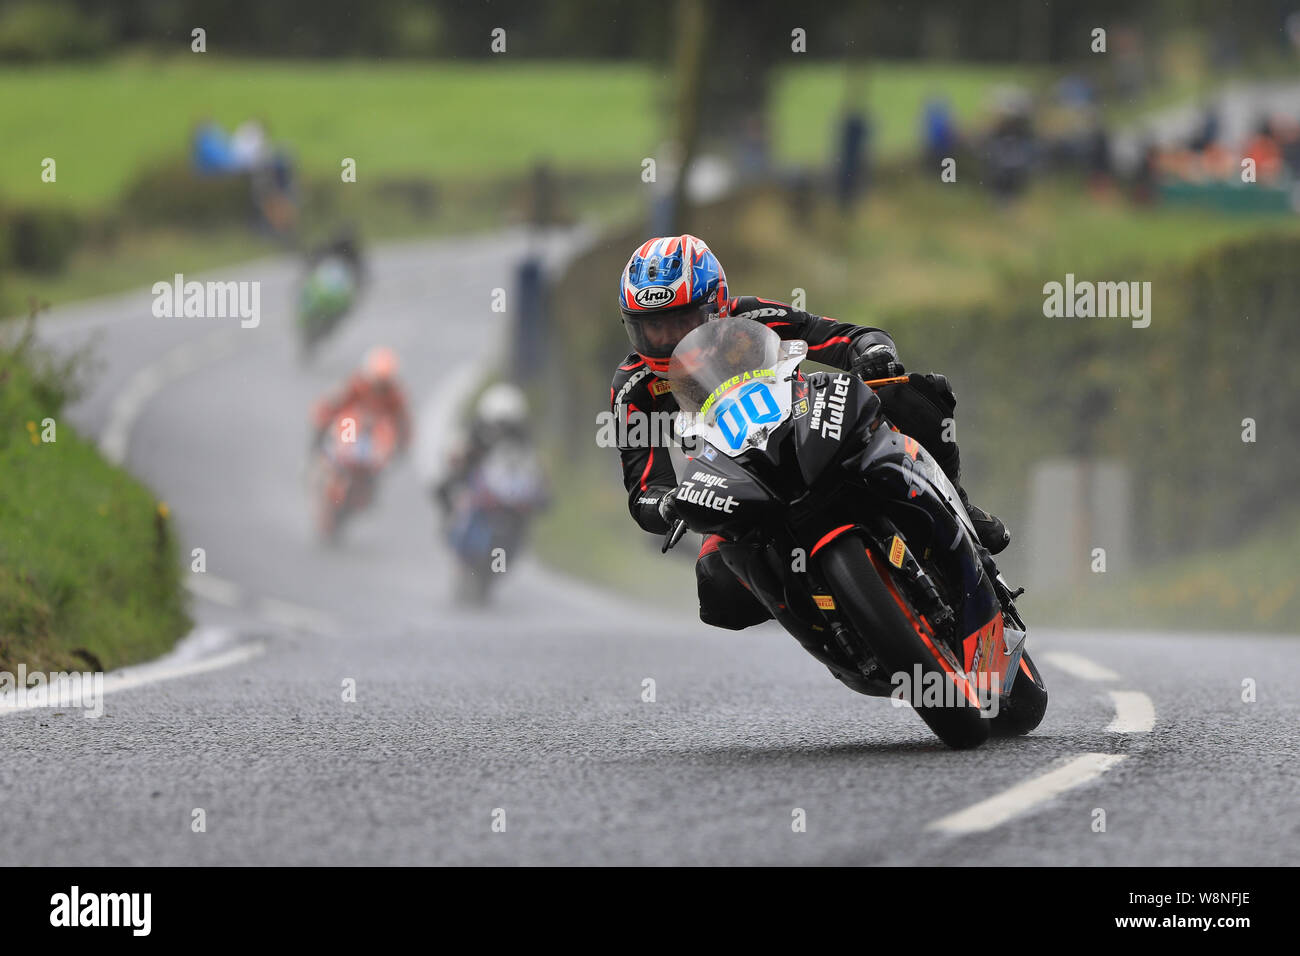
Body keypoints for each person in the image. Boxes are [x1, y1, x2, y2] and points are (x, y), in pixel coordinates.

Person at [610, 234, 1008, 631]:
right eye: (652, 327)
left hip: (809, 428)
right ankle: (824, 622)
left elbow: (845, 337)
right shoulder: (633, 387)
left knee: (913, 394)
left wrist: (873, 353)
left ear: (716, 307)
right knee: (718, 596)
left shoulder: (751, 317)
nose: (666, 340)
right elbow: (644, 487)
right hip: (734, 479)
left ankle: (958, 506)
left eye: (680, 322)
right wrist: (667, 505)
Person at [434, 384, 534, 514]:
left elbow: (532, 470)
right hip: (480, 493)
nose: (501, 431)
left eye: (508, 426)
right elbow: (457, 459)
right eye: (499, 425)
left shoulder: (521, 443)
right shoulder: (475, 439)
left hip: (509, 492)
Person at [312, 346, 412, 458]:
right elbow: (335, 402)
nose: (379, 387)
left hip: (374, 439)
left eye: (384, 383)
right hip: (349, 431)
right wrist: (323, 421)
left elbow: (401, 420)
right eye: (377, 381)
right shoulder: (357, 385)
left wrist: (403, 441)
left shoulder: (394, 396)